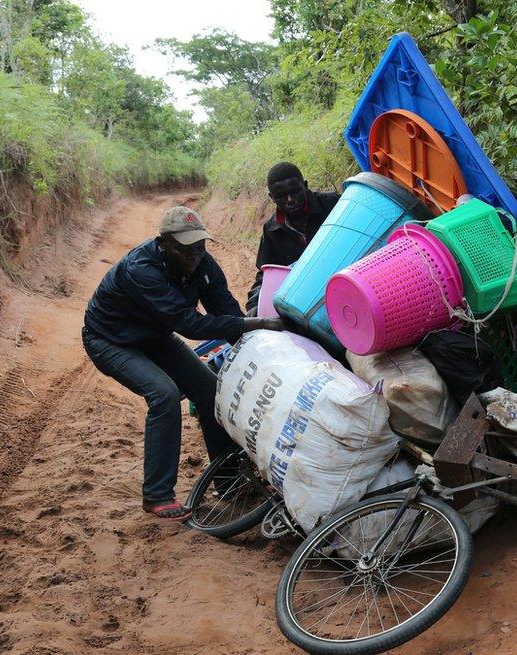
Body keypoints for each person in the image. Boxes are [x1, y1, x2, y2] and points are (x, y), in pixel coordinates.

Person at [82, 206, 283, 519]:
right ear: (164, 244)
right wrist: (258, 324)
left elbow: (226, 311)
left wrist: (259, 349)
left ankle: (229, 482)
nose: (194, 254)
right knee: (163, 394)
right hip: (111, 340)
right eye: (185, 248)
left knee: (209, 389)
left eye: (200, 246)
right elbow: (189, 324)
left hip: (153, 336)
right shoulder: (141, 269)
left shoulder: (203, 262)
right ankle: (157, 495)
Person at [245, 162, 340, 314]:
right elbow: (267, 273)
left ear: (305, 185)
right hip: (307, 302)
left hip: (343, 284)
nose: (290, 199)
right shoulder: (272, 229)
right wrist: (255, 304)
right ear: (272, 197)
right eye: (281, 196)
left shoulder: (333, 205)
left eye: (295, 191)